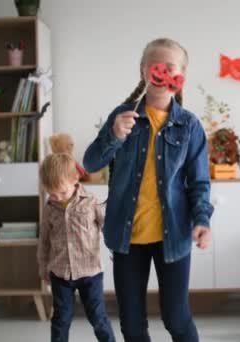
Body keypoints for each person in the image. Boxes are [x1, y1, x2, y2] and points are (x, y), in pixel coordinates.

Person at [83, 38, 213, 342]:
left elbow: (199, 182)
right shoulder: (123, 116)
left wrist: (202, 221)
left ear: (181, 76)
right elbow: (90, 163)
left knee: (177, 319)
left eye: (171, 68)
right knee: (131, 323)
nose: (163, 74)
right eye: (157, 67)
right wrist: (114, 135)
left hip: (174, 237)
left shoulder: (189, 125)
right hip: (128, 238)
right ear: (143, 71)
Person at [38, 153, 115, 342]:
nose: (56, 198)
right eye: (51, 194)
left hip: (90, 272)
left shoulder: (91, 202)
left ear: (75, 179)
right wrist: (43, 266)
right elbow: (44, 240)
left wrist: (118, 251)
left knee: (98, 318)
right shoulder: (49, 208)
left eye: (61, 193)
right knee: (60, 319)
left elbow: (108, 228)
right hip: (60, 273)